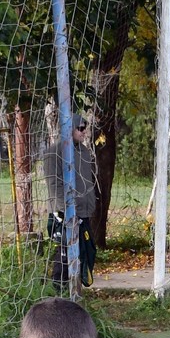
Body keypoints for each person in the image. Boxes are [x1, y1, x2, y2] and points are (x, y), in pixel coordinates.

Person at [72, 116, 98, 287]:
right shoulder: (56, 152)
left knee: (88, 251)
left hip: (84, 212)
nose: (84, 132)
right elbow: (54, 184)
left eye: (85, 128)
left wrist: (90, 203)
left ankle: (78, 287)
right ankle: (61, 287)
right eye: (80, 128)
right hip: (68, 213)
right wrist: (62, 209)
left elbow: (87, 182)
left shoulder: (85, 151)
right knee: (66, 254)